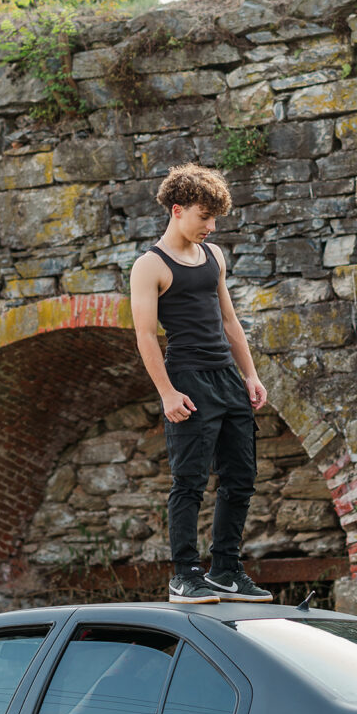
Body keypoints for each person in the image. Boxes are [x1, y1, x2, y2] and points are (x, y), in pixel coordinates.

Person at [130, 162, 273, 605]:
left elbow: (229, 320)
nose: (210, 227)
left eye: (215, 219)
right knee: (189, 481)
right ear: (177, 210)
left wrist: (249, 374)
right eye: (203, 217)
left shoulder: (214, 257)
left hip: (227, 379)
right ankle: (185, 574)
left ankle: (226, 570)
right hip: (187, 380)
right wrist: (167, 393)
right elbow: (145, 335)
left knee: (241, 477)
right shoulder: (149, 266)